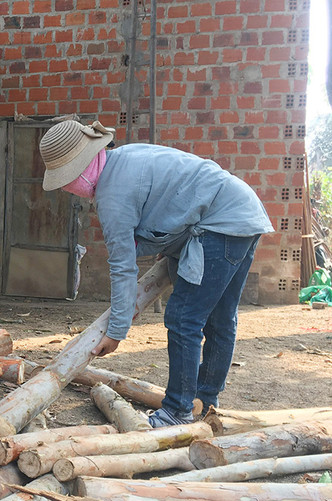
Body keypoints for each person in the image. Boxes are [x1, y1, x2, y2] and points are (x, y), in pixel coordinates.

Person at [38, 119, 274, 427]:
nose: (66, 188)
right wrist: (172, 242)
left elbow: (123, 266)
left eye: (66, 180)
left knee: (183, 317)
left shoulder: (112, 194)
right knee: (220, 317)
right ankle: (205, 403)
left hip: (221, 223)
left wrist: (116, 331)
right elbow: (173, 200)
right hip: (245, 212)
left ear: (80, 169)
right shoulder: (123, 159)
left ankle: (177, 411)